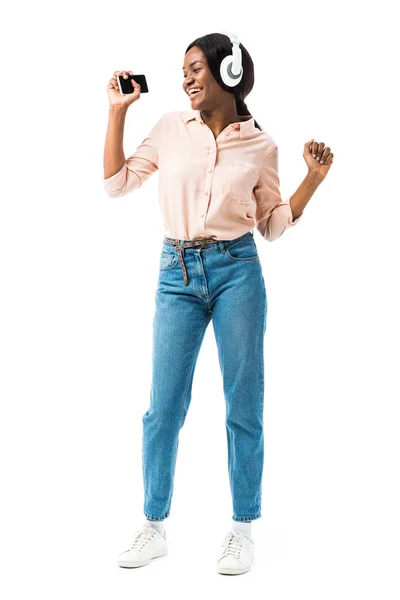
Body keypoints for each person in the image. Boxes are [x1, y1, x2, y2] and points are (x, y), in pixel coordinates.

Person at [103, 31, 334, 575]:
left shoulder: (261, 145)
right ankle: (154, 525)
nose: (186, 77)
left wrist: (313, 181)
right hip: (175, 274)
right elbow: (115, 184)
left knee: (243, 407)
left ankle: (241, 530)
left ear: (230, 72)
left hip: (237, 273)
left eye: (196, 67)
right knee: (163, 409)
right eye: (183, 69)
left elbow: (273, 226)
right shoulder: (168, 129)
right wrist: (117, 111)